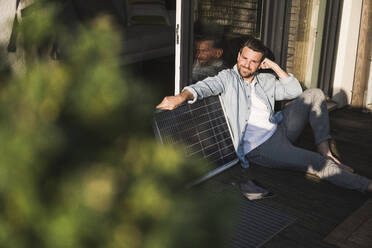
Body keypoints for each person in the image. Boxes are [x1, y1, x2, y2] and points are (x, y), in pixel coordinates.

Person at [157, 36, 372, 193]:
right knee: (314, 163)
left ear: (261, 64)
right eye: (244, 58)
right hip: (262, 148)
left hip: (279, 127)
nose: (246, 64)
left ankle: (327, 152)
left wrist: (276, 68)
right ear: (239, 55)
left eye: (253, 62)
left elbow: (294, 91)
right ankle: (365, 184)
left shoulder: (265, 80)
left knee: (314, 94)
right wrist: (181, 97)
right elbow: (203, 87)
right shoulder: (227, 79)